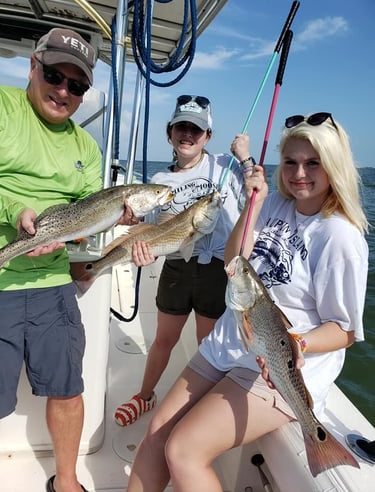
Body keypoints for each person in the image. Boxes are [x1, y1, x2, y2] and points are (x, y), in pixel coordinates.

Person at [126, 112, 369, 491]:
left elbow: (344, 331)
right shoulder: (275, 206)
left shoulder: (340, 237)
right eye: (290, 161)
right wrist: (254, 205)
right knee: (157, 431)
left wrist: (297, 344)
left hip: (277, 366)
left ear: (334, 166)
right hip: (227, 343)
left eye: (312, 163)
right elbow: (232, 262)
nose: (299, 172)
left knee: (184, 450)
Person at [0, 27, 136, 492]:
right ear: (32, 67)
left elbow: (84, 218)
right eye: (55, 76)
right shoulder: (3, 109)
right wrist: (16, 212)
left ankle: (68, 480)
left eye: (77, 85)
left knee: (68, 387)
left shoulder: (86, 147)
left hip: (52, 284)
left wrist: (112, 226)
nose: (64, 91)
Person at [114, 94, 252, 426]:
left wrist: (245, 159)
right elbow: (151, 228)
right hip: (176, 264)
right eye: (181, 127)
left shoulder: (225, 166)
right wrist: (138, 241)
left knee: (208, 343)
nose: (187, 134)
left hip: (218, 268)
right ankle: (145, 395)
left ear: (207, 136)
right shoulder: (161, 182)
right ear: (169, 132)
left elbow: (255, 193)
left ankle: (203, 411)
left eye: (196, 129)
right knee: (164, 339)